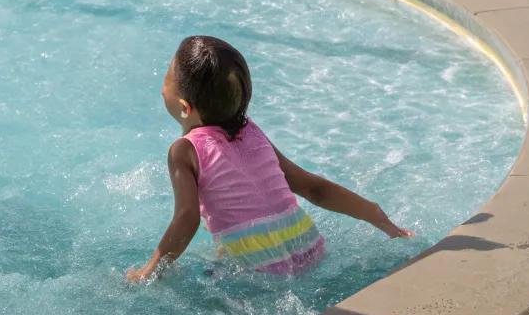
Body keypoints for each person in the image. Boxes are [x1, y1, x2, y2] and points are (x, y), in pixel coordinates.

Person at [126, 35, 412, 283]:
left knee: (205, 276)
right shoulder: (252, 132)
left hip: (257, 270)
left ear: (184, 107)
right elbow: (313, 188)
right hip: (307, 247)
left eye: (167, 76)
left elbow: (187, 219)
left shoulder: (184, 151)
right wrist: (376, 215)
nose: (162, 84)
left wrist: (149, 271)